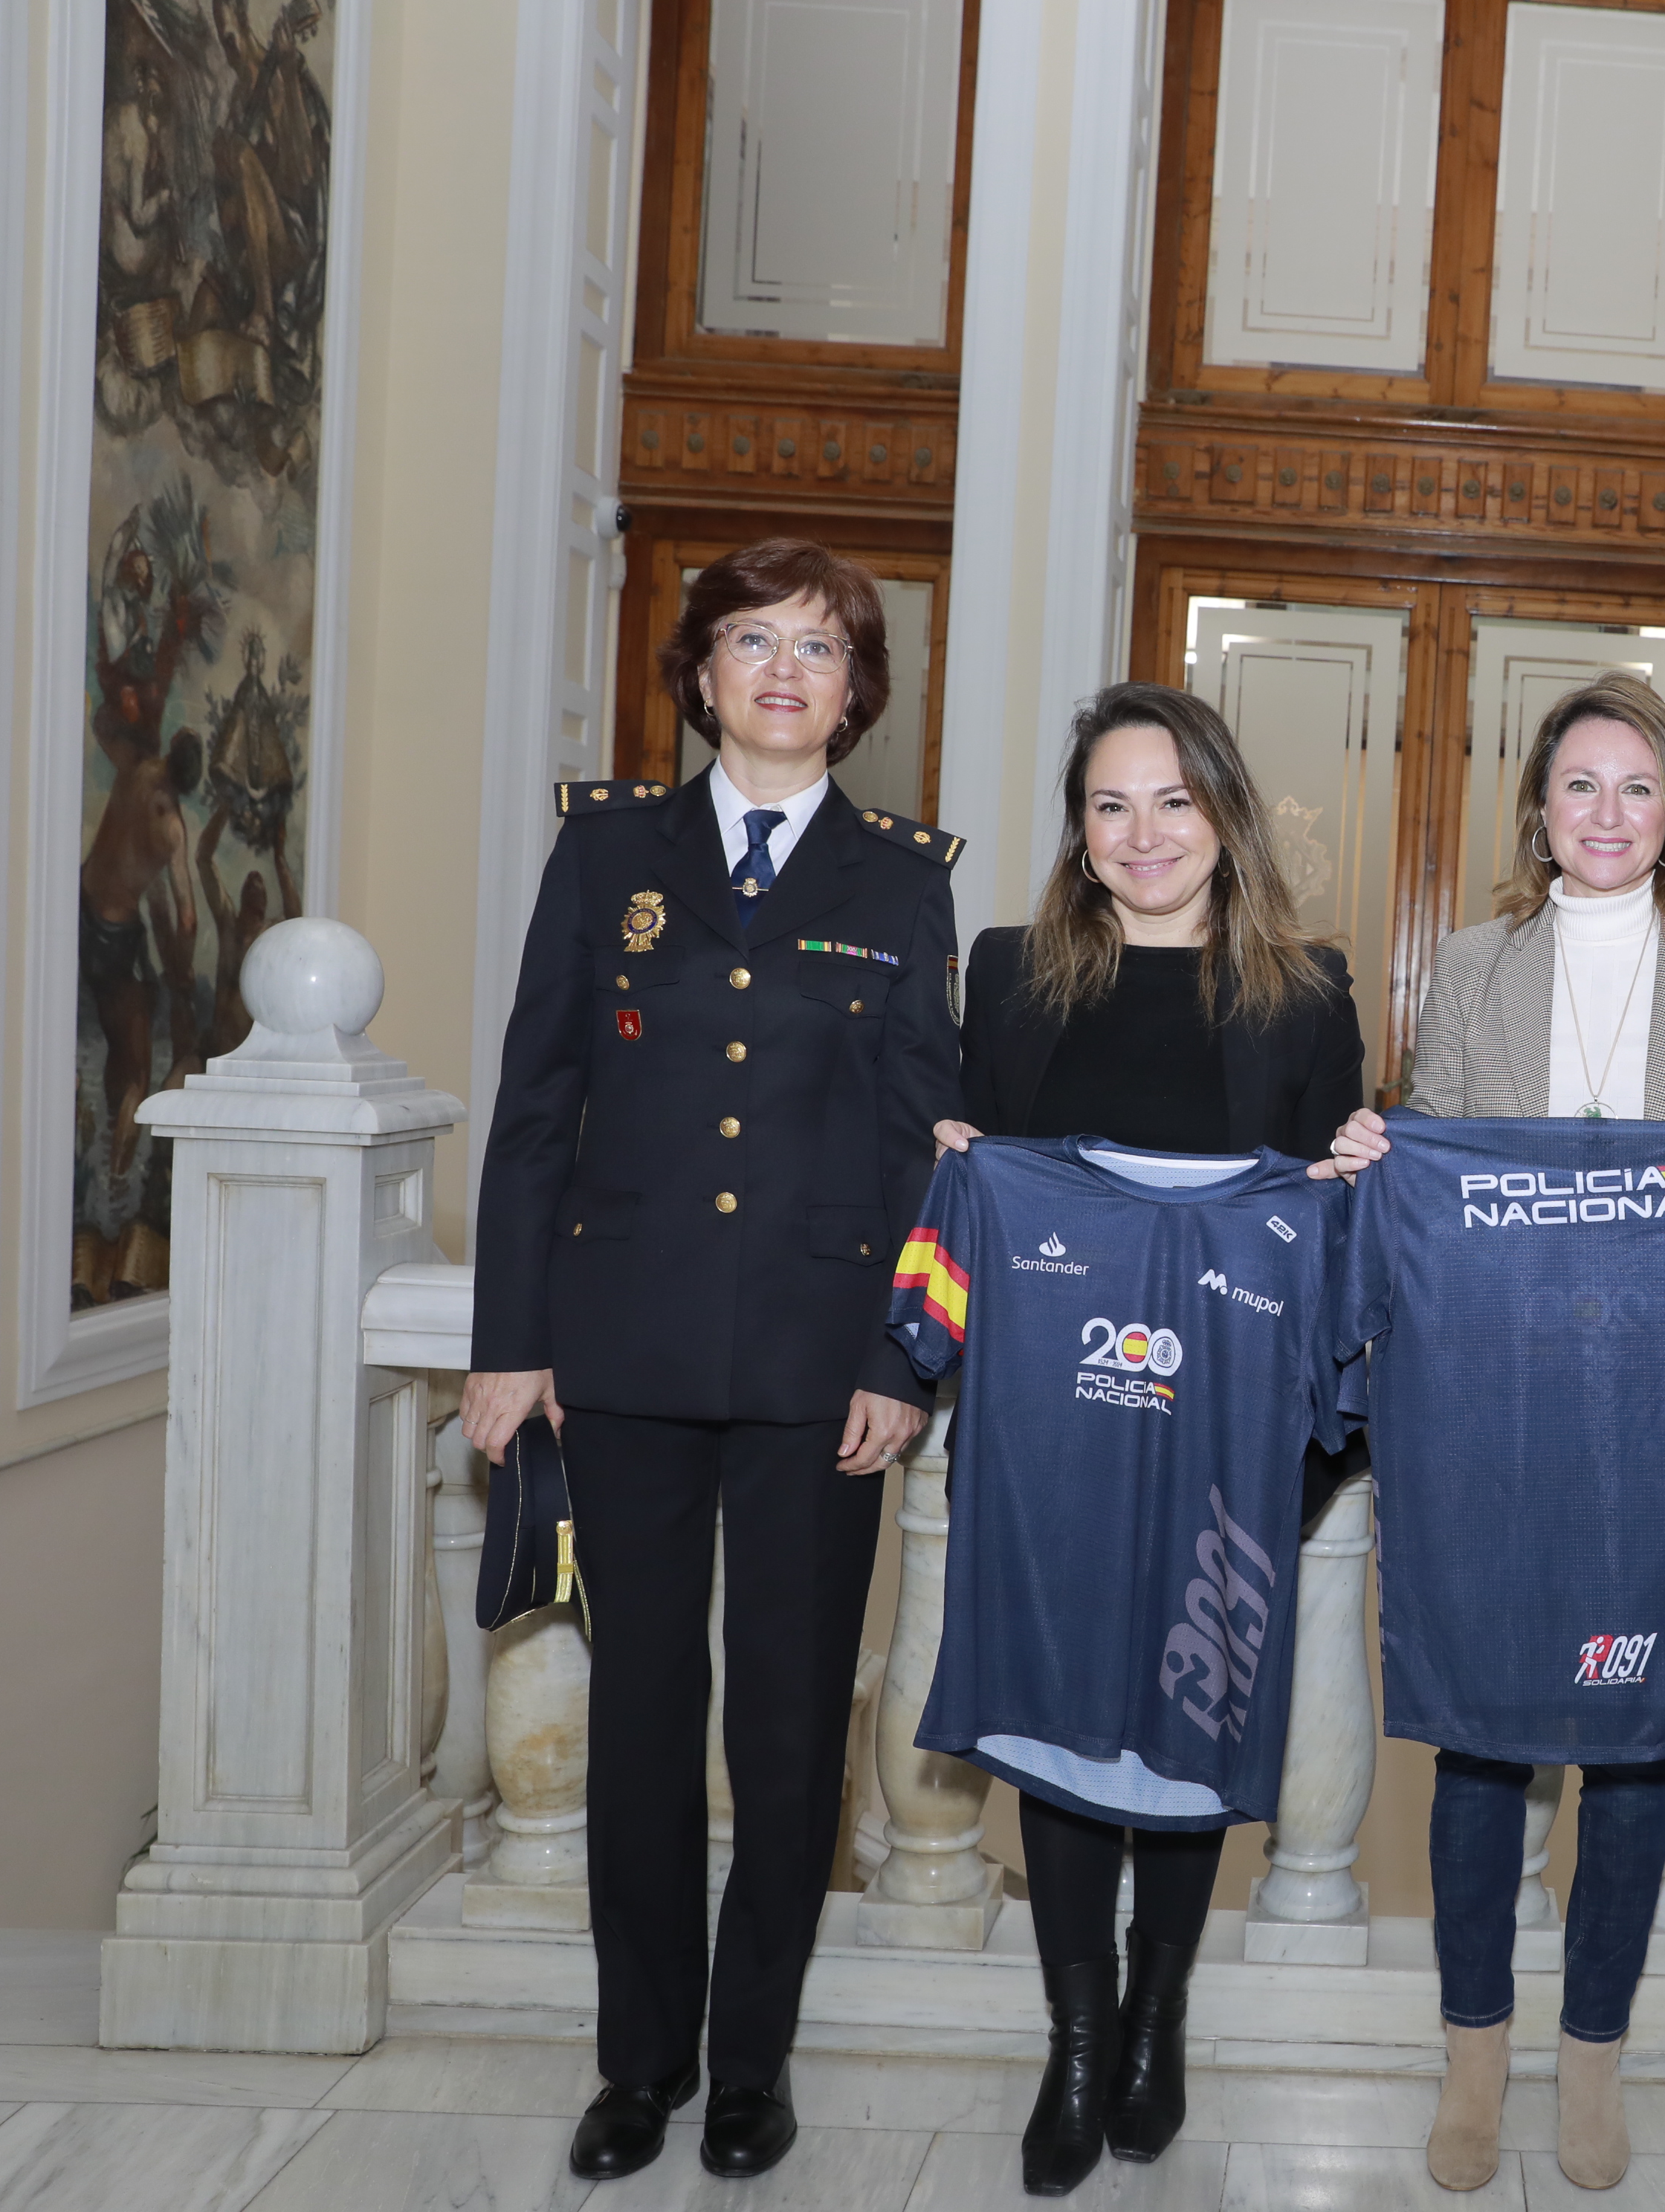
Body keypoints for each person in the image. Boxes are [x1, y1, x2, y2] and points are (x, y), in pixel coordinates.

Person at [464, 537, 962, 2184]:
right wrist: (510, 1344)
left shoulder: (900, 878)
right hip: (627, 1353)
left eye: (818, 649)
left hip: (824, 1367)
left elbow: (916, 1146)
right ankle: (639, 2062)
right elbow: (538, 1107)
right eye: (752, 641)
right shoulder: (612, 853)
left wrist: (907, 1354)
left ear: (855, 693)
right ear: (698, 676)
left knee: (792, 1727)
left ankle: (752, 2062)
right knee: (643, 1721)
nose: (781, 671)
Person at [1322, 669, 1665, 2193]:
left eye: (1636, 787)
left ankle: (1597, 2068)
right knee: (1483, 1746)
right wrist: (1375, 1154)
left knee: (1637, 1747)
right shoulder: (1475, 968)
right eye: (1579, 786)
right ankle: (1475, 2060)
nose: (1607, 814)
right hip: (1498, 1407)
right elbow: (1436, 1182)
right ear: (1539, 810)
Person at [926, 681, 1365, 2196]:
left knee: (1195, 1706)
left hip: (1231, 1437)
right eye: (1111, 806)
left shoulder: (1306, 994)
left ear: (1226, 816)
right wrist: (952, 1160)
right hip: (1059, 1424)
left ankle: (1160, 2012)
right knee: (1060, 1720)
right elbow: (971, 1185)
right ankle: (1074, 2031)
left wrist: (1353, 1169)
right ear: (1080, 832)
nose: (1143, 834)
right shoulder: (1011, 977)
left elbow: (1338, 1238)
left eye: (1174, 801)